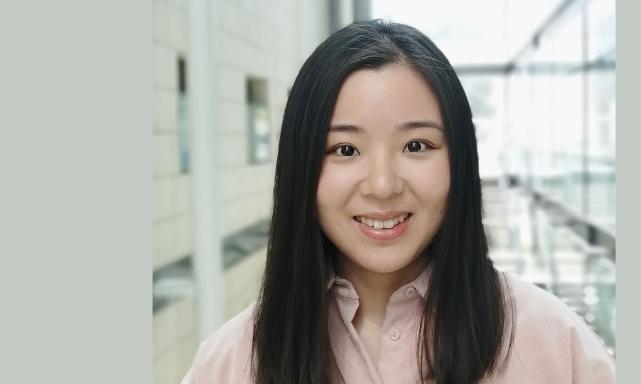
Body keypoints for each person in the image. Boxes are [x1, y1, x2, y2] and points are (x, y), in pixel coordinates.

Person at [182, 20, 615, 384]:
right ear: (301, 167)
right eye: (345, 150)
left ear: (459, 160)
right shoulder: (229, 363)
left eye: (416, 145)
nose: (383, 185)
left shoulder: (554, 343)